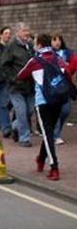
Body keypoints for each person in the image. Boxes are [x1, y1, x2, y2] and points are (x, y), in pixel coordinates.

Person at [17, 34, 72, 181]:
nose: (34, 45)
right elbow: (67, 73)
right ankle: (41, 159)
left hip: (43, 102)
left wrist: (34, 76)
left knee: (47, 133)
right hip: (58, 100)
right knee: (49, 132)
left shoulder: (35, 60)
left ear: (39, 45)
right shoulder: (58, 58)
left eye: (35, 43)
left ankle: (54, 167)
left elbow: (20, 76)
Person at [0, 23, 35, 147]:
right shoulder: (11, 47)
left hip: (30, 86)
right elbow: (4, 65)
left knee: (29, 111)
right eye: (24, 30)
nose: (27, 33)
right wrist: (12, 79)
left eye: (28, 30)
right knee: (21, 111)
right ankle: (24, 138)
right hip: (16, 87)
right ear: (18, 32)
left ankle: (14, 126)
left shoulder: (30, 46)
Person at [51, 34, 76, 145]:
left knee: (65, 111)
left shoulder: (67, 52)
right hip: (53, 86)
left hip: (65, 85)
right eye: (54, 40)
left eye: (59, 40)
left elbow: (73, 64)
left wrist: (65, 70)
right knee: (55, 110)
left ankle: (56, 131)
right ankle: (55, 135)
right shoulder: (48, 54)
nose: (57, 42)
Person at [0, 27, 13, 137]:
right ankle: (5, 127)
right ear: (1, 35)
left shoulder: (11, 48)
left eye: (9, 34)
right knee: (1, 104)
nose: (8, 35)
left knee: (6, 104)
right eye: (6, 33)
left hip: (9, 80)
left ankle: (3, 124)